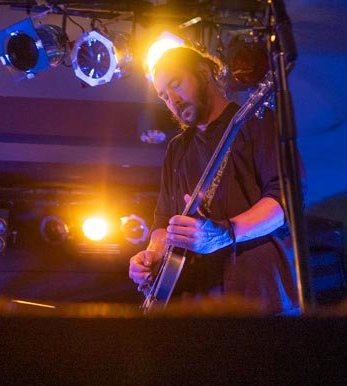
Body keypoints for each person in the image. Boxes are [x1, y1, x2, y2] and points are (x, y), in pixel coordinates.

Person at [128, 46, 304, 314]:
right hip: (195, 302)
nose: (172, 100)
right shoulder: (177, 149)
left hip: (258, 293)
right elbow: (163, 222)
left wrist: (224, 234)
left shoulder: (257, 122)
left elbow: (286, 200)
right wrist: (152, 254)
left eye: (176, 84)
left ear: (203, 73)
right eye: (163, 95)